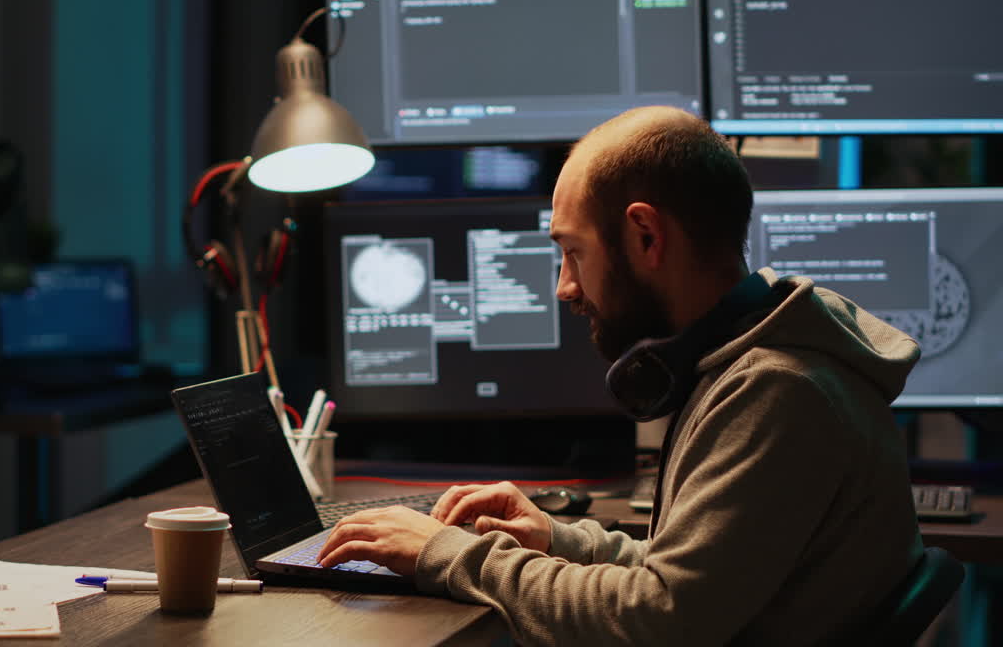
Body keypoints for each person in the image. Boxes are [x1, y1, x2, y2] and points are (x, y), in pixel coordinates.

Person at [317, 106, 924, 646]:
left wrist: (444, 553)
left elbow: (660, 619)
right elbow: (692, 573)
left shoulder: (778, 390)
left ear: (645, 235)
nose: (564, 286)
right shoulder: (752, 362)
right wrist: (556, 539)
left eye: (573, 251)